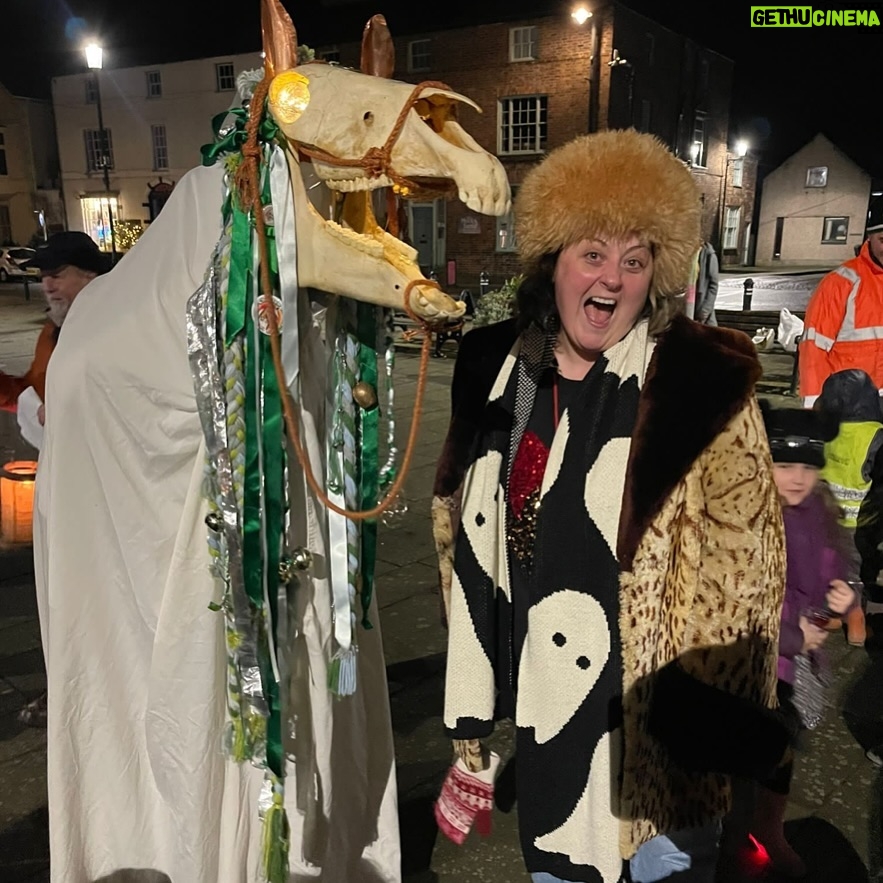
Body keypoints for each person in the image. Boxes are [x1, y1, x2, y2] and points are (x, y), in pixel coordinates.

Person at [434, 130, 792, 883]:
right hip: (553, 725)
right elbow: (468, 546)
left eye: (634, 261)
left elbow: (747, 581)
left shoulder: (700, 385)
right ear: (552, 262)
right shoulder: (502, 374)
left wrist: (721, 745)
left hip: (661, 757)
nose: (612, 279)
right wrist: (471, 720)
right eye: (592, 254)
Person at [751, 403, 856, 876]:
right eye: (785, 465)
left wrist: (845, 594)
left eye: (808, 467)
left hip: (801, 668)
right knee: (747, 759)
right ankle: (735, 835)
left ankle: (767, 829)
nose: (797, 478)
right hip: (759, 663)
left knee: (781, 757)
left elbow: (843, 561)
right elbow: (740, 600)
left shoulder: (820, 510)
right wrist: (794, 636)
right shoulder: (749, 516)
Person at [0, 231, 110, 417]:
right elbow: (33, 396)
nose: (47, 287)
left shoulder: (121, 327)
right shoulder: (51, 331)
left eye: (57, 276)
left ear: (90, 275)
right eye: (43, 277)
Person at [816, 368, 883, 645]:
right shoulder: (875, 435)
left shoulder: (825, 430)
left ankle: (831, 615)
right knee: (857, 572)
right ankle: (857, 623)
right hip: (860, 524)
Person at [799, 203, 883, 405]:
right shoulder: (841, 283)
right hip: (849, 407)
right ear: (869, 238)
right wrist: (814, 408)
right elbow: (814, 349)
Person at [694, 239, 719, 325]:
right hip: (687, 308)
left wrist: (704, 311)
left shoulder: (709, 255)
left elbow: (713, 285)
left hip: (702, 311)